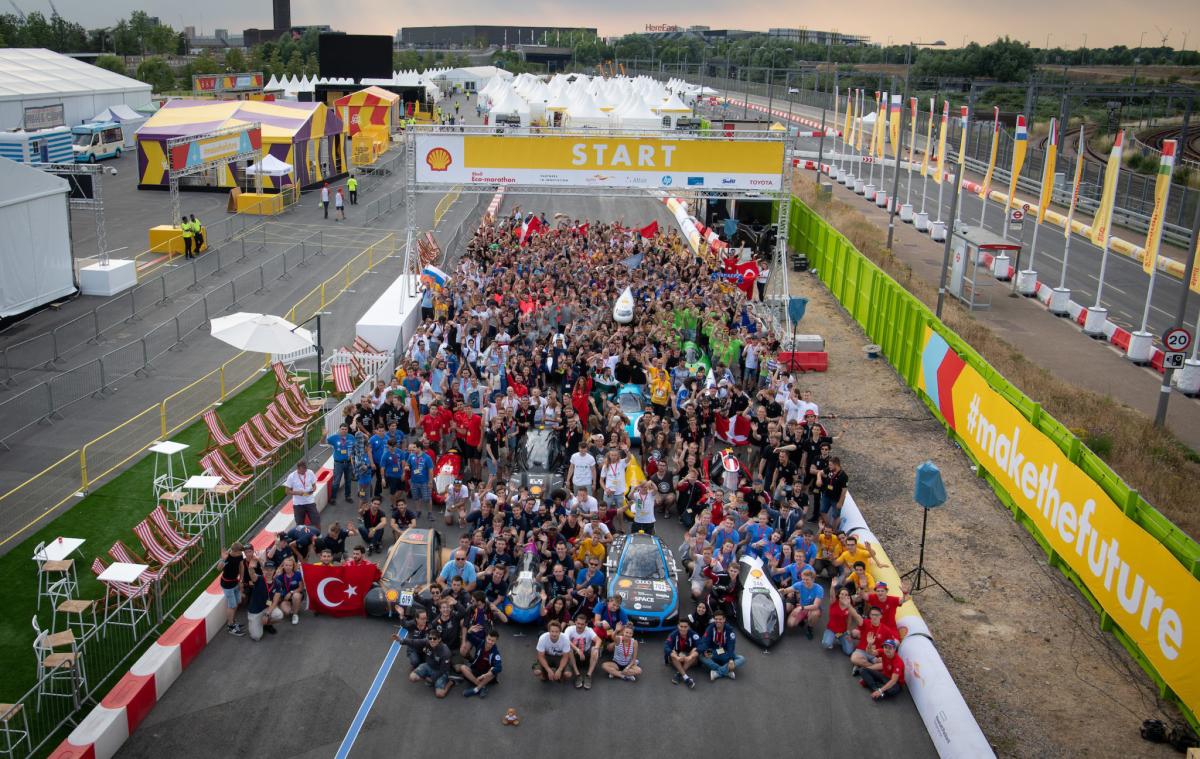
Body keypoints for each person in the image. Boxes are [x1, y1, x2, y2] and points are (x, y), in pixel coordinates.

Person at [404, 629, 454, 698]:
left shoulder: (445, 652)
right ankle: (430, 680)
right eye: (430, 638)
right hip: (429, 665)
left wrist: (432, 679)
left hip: (440, 671)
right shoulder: (427, 642)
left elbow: (443, 670)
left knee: (440, 694)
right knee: (412, 677)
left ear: (439, 639)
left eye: (434, 638)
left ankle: (450, 683)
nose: (432, 640)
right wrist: (401, 640)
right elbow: (414, 642)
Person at [699, 608, 744, 681]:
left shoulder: (729, 630)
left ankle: (717, 673)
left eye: (720, 619)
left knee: (741, 658)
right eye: (716, 619)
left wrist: (731, 659)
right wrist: (705, 651)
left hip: (724, 652)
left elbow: (731, 645)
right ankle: (726, 671)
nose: (718, 621)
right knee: (701, 656)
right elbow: (705, 641)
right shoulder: (710, 628)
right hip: (713, 652)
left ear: (724, 619)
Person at [245, 556, 283, 640]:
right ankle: (257, 622)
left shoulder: (277, 583)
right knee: (256, 637)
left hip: (267, 608)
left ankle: (266, 624)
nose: (269, 572)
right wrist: (251, 568)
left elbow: (275, 601)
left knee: (279, 615)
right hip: (255, 610)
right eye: (267, 569)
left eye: (271, 569)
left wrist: (267, 614)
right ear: (263, 570)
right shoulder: (259, 579)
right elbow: (252, 575)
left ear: (274, 570)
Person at [460, 629, 502, 698]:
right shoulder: (480, 642)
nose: (490, 642)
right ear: (486, 637)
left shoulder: (495, 653)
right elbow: (469, 636)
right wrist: (469, 631)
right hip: (476, 670)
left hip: (486, 676)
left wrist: (484, 676)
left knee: (493, 670)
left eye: (493, 641)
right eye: (489, 639)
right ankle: (482, 687)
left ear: (496, 641)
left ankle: (476, 689)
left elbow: (499, 667)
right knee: (462, 668)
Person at [784, 568, 824, 638]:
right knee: (790, 624)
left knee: (815, 614)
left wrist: (801, 608)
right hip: (802, 607)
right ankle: (801, 619)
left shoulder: (819, 589)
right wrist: (778, 591)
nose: (805, 581)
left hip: (811, 608)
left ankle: (810, 627)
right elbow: (786, 590)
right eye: (803, 579)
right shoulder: (799, 584)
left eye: (807, 579)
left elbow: (815, 605)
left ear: (813, 579)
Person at [823, 586, 863, 656]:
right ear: (839, 595)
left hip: (843, 632)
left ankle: (838, 638)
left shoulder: (849, 606)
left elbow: (849, 620)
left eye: (846, 594)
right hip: (831, 629)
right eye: (842, 594)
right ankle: (832, 637)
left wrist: (848, 631)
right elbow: (832, 595)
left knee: (849, 651)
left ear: (848, 596)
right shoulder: (834, 602)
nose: (844, 596)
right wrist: (832, 587)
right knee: (826, 644)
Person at [565, 612, 601, 689]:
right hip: (574, 656)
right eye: (578, 623)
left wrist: (596, 648)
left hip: (586, 655)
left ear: (586, 624)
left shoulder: (589, 630)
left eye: (582, 624)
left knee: (595, 650)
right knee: (568, 649)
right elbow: (566, 640)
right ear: (575, 622)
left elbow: (598, 640)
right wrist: (577, 649)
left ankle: (588, 676)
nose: (580, 626)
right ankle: (578, 675)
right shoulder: (569, 629)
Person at [219, 542, 247, 636]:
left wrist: (241, 580)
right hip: (227, 585)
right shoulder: (227, 558)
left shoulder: (239, 556)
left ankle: (233, 621)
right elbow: (218, 568)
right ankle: (230, 626)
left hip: (235, 582)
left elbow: (241, 566)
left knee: (238, 601)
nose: (241, 554)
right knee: (232, 605)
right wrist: (223, 560)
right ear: (234, 551)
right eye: (240, 552)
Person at [663, 619, 701, 688]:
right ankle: (686, 677)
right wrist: (677, 657)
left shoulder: (693, 634)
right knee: (673, 652)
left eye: (685, 627)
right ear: (678, 626)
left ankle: (679, 674)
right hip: (678, 660)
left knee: (695, 650)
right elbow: (666, 647)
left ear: (688, 627)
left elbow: (700, 646)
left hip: (689, 659)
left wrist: (691, 656)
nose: (683, 629)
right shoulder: (673, 634)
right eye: (681, 626)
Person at [285, 460, 320, 529]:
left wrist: (313, 489)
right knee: (299, 524)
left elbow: (314, 485)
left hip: (310, 501)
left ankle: (319, 536)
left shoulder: (310, 472)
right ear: (298, 469)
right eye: (303, 470)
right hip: (298, 504)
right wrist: (297, 493)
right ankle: (301, 538)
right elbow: (287, 491)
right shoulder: (291, 476)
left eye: (305, 469)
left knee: (316, 521)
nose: (304, 472)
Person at [272, 556, 305, 625]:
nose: (288, 567)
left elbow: (301, 587)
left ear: (293, 566)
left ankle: (295, 614)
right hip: (285, 597)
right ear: (283, 566)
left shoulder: (297, 574)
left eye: (290, 565)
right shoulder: (280, 575)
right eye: (286, 565)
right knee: (287, 612)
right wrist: (275, 575)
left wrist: (291, 592)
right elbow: (271, 585)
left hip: (295, 594)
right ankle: (293, 610)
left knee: (296, 596)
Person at [327, 424, 353, 504]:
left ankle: (348, 496)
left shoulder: (351, 437)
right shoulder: (334, 437)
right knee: (336, 482)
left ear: (347, 430)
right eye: (342, 429)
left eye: (345, 429)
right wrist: (323, 435)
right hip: (338, 464)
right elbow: (322, 442)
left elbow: (355, 447)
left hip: (348, 463)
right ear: (339, 429)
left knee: (348, 481)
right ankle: (333, 498)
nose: (344, 430)